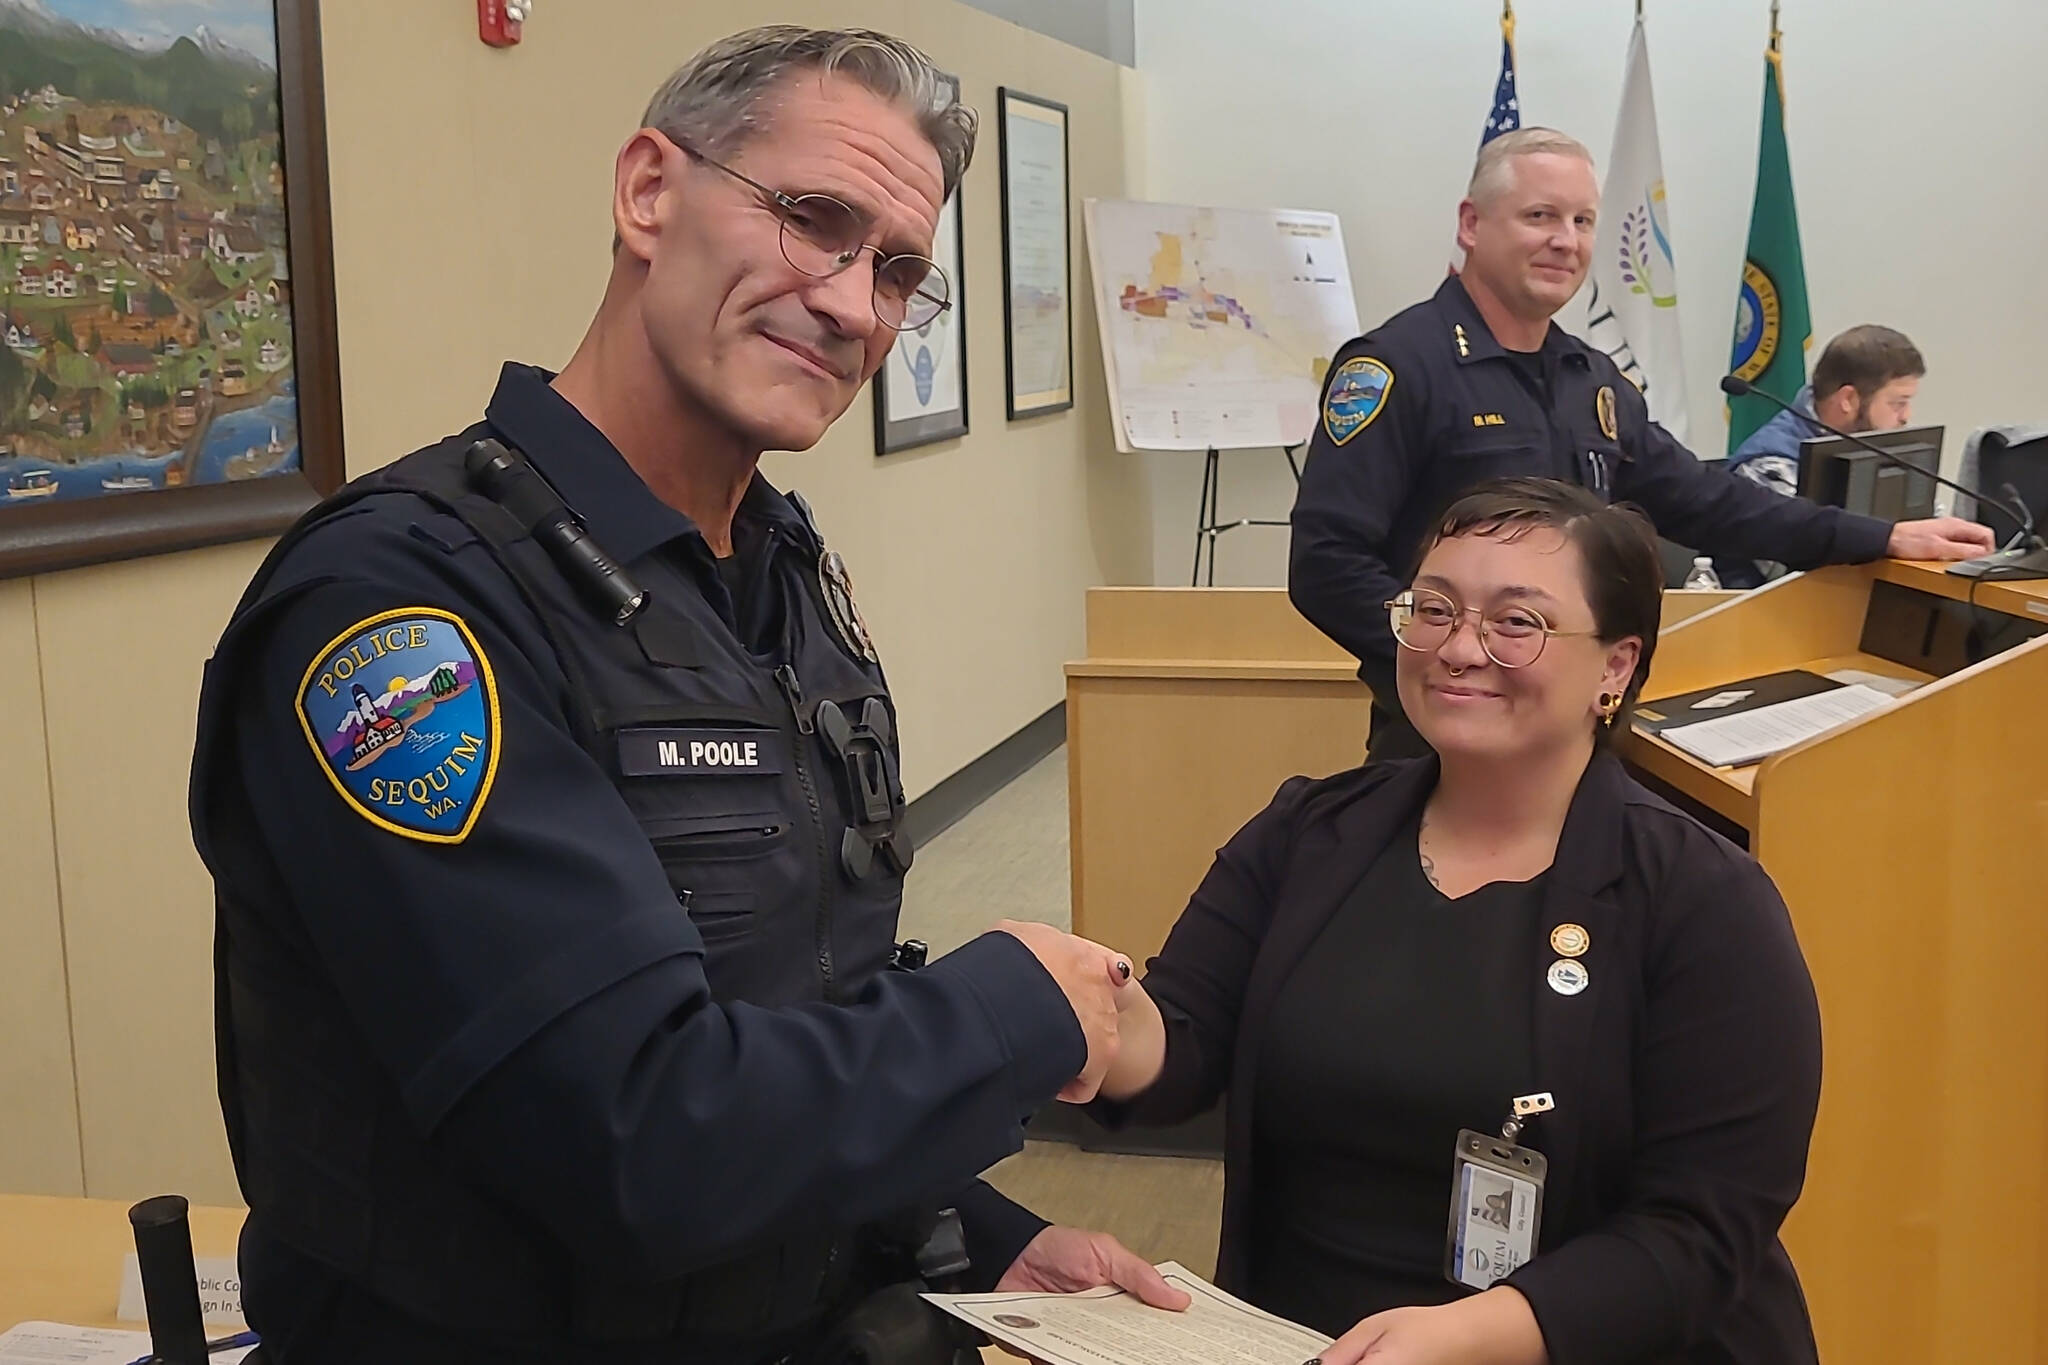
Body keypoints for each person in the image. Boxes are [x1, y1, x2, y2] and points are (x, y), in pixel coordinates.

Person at [188, 26, 1184, 1363]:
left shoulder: (780, 579)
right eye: (814, 221)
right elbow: (641, 1138)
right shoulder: (404, 613)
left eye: (897, 272)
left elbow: (802, 1003)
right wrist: (1007, 1005)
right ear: (650, 191)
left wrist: (975, 1230)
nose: (851, 305)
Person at [1093, 478, 1826, 1365]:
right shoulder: (1310, 833)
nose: (1458, 648)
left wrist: (1477, 1334)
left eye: (1517, 623)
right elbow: (1182, 1038)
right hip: (1305, 1340)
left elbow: (1701, 1232)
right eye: (1433, 609)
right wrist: (1101, 1015)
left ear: (1616, 667)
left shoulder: (1705, 901)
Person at [1287, 128, 1992, 761]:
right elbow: (1327, 563)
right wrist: (1451, 654)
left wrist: (1882, 534)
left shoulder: (1590, 380)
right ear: (1471, 225)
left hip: (1577, 734)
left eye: (1582, 220)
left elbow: (1708, 502)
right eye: (1540, 216)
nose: (1565, 240)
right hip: (1443, 740)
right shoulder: (1399, 366)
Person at [1715, 324, 1926, 587]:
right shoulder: (1769, 464)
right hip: (1765, 617)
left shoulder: (1866, 443)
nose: (1906, 417)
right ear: (1848, 398)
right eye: (1898, 403)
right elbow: (1793, 571)